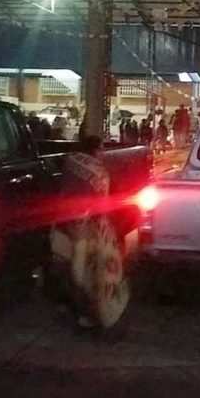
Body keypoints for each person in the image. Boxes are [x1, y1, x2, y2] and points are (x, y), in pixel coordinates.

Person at [49, 136, 128, 329]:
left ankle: (66, 305)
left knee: (63, 265)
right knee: (83, 272)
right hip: (81, 229)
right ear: (95, 150)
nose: (102, 153)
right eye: (101, 149)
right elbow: (100, 208)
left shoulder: (70, 161)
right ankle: (85, 314)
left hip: (61, 223)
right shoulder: (99, 174)